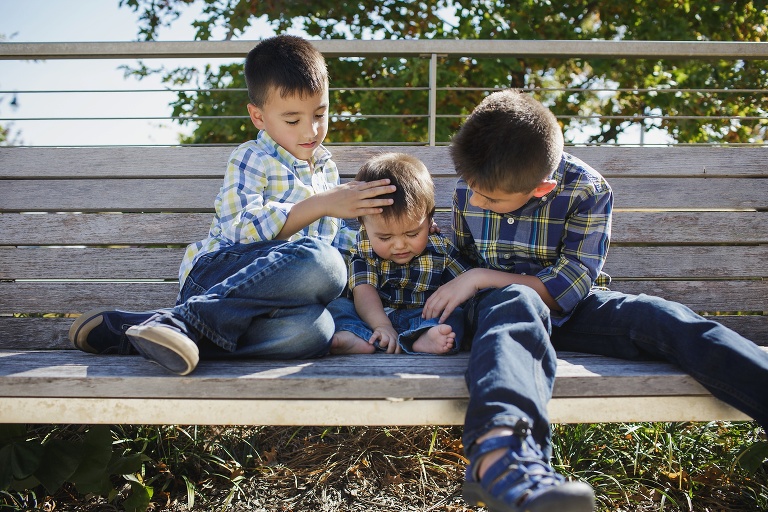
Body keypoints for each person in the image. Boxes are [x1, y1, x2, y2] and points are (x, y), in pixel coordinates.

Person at [422, 89, 768, 511]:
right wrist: (455, 265)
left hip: (572, 307)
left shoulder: (586, 189)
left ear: (542, 187)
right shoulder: (473, 185)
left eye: (490, 199)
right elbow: (462, 263)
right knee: (516, 298)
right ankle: (501, 459)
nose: (474, 200)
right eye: (472, 190)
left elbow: (571, 283)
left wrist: (480, 276)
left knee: (660, 316)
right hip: (500, 316)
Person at [67, 34, 396, 375]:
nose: (310, 130)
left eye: (320, 114)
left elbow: (344, 243)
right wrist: (321, 204)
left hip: (267, 305)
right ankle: (183, 321)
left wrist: (395, 233)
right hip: (219, 275)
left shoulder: (326, 169)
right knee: (324, 263)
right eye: (293, 120)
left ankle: (155, 332)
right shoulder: (253, 157)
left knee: (316, 331)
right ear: (258, 117)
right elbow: (242, 230)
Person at [327, 152, 471, 355]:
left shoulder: (440, 249)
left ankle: (423, 337)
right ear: (364, 225)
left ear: (429, 220)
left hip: (422, 316)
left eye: (412, 234)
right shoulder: (365, 249)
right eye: (385, 238)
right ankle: (355, 335)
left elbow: (464, 285)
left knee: (455, 314)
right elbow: (364, 291)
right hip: (373, 317)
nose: (400, 245)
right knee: (340, 306)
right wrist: (382, 325)